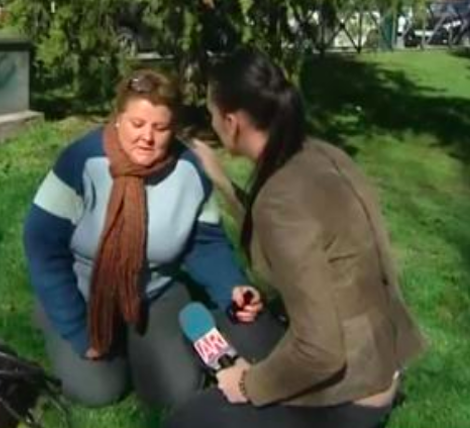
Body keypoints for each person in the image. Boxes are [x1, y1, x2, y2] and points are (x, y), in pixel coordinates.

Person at [165, 49, 426, 428]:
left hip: (351, 394)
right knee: (239, 324)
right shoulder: (321, 154)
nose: (212, 123)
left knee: (185, 420)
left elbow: (321, 351)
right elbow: (323, 254)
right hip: (381, 359)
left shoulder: (280, 201)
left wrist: (249, 385)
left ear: (231, 121)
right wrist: (221, 180)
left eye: (211, 114)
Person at [23, 68, 264, 409]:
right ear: (118, 119)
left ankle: (160, 332)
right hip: (83, 291)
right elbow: (41, 245)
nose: (147, 138)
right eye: (137, 124)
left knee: (176, 392)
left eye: (160, 127)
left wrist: (231, 288)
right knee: (99, 391)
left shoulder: (190, 170)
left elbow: (206, 243)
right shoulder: (80, 162)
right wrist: (77, 329)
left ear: (173, 129)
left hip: (156, 291)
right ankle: (53, 316)